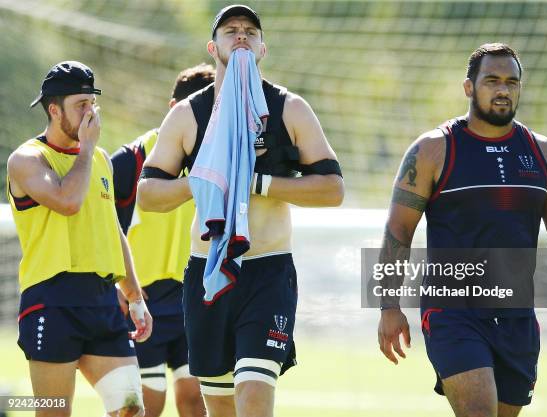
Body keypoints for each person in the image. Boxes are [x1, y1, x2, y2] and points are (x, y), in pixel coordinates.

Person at [377, 43, 547, 417]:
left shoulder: (542, 152)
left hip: (517, 318)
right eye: (492, 81)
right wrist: (389, 305)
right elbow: (398, 231)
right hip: (452, 312)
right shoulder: (434, 149)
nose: (503, 90)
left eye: (511, 82)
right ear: (469, 87)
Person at [137, 4, 344, 417]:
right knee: (221, 408)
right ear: (213, 47)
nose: (242, 36)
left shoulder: (289, 109)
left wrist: (255, 182)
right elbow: (148, 194)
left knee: (253, 394)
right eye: (231, 31)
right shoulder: (187, 114)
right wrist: (203, 181)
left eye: (251, 30)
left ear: (263, 48)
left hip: (268, 272)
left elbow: (333, 189)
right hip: (208, 276)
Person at [6, 61, 153, 417]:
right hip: (52, 301)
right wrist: (86, 149)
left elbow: (112, 229)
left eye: (92, 103)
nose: (91, 113)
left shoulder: (100, 158)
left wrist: (134, 296)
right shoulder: (27, 159)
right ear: (54, 110)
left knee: (130, 409)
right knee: (54, 412)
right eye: (81, 105)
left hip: (102, 301)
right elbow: (68, 202)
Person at [111, 63, 215, 417]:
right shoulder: (130, 161)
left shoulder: (220, 162)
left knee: (194, 401)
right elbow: (103, 227)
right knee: (142, 406)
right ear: (174, 111)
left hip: (194, 302)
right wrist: (118, 286)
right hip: (143, 302)